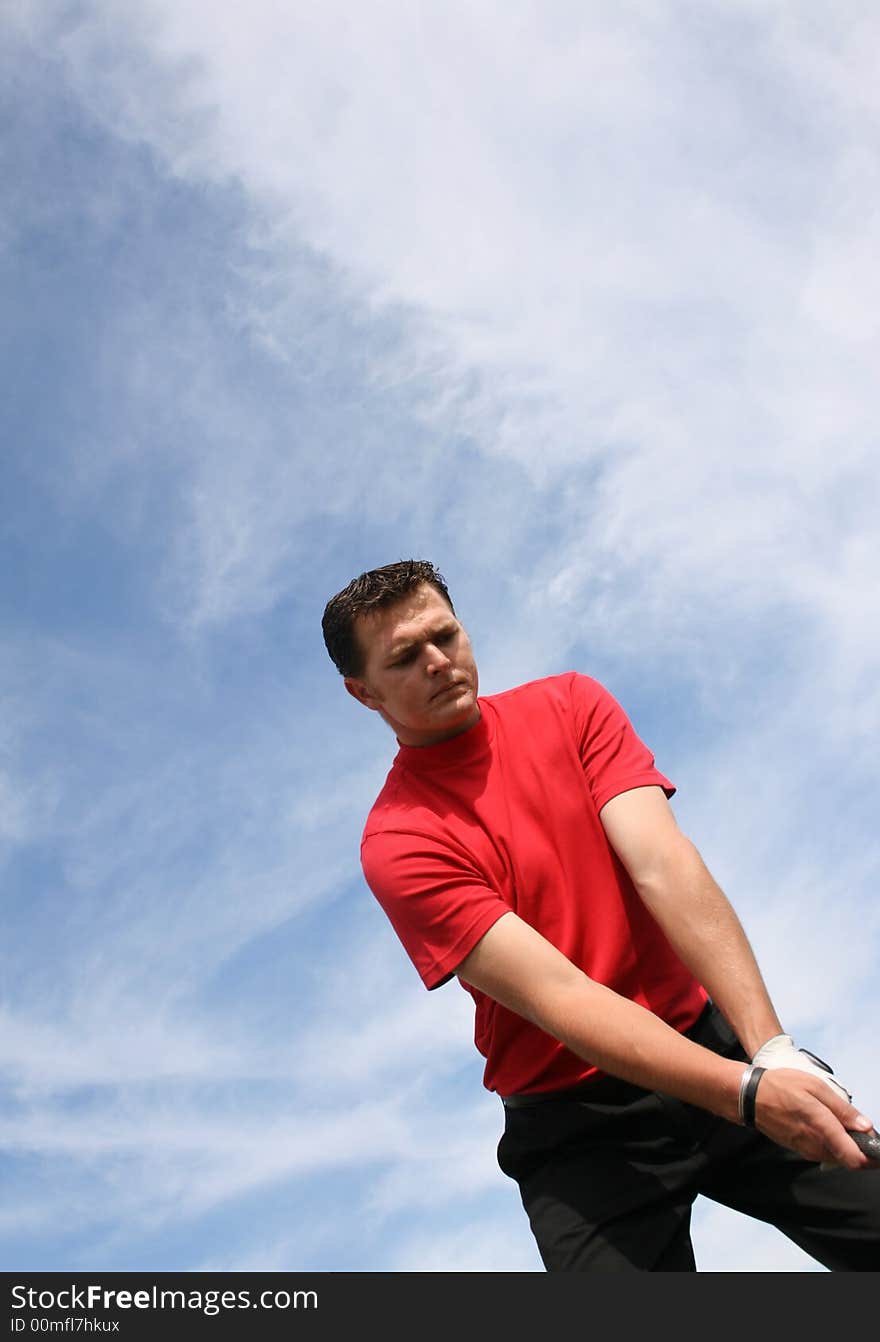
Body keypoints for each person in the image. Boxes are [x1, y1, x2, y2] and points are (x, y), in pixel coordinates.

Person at [321, 558, 880, 1272]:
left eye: (446, 636)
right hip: (577, 1130)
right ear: (363, 694)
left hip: (713, 1045)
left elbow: (664, 866)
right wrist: (745, 1093)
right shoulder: (398, 841)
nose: (439, 663)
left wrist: (767, 1050)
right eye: (405, 657)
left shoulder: (572, 704)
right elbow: (563, 996)